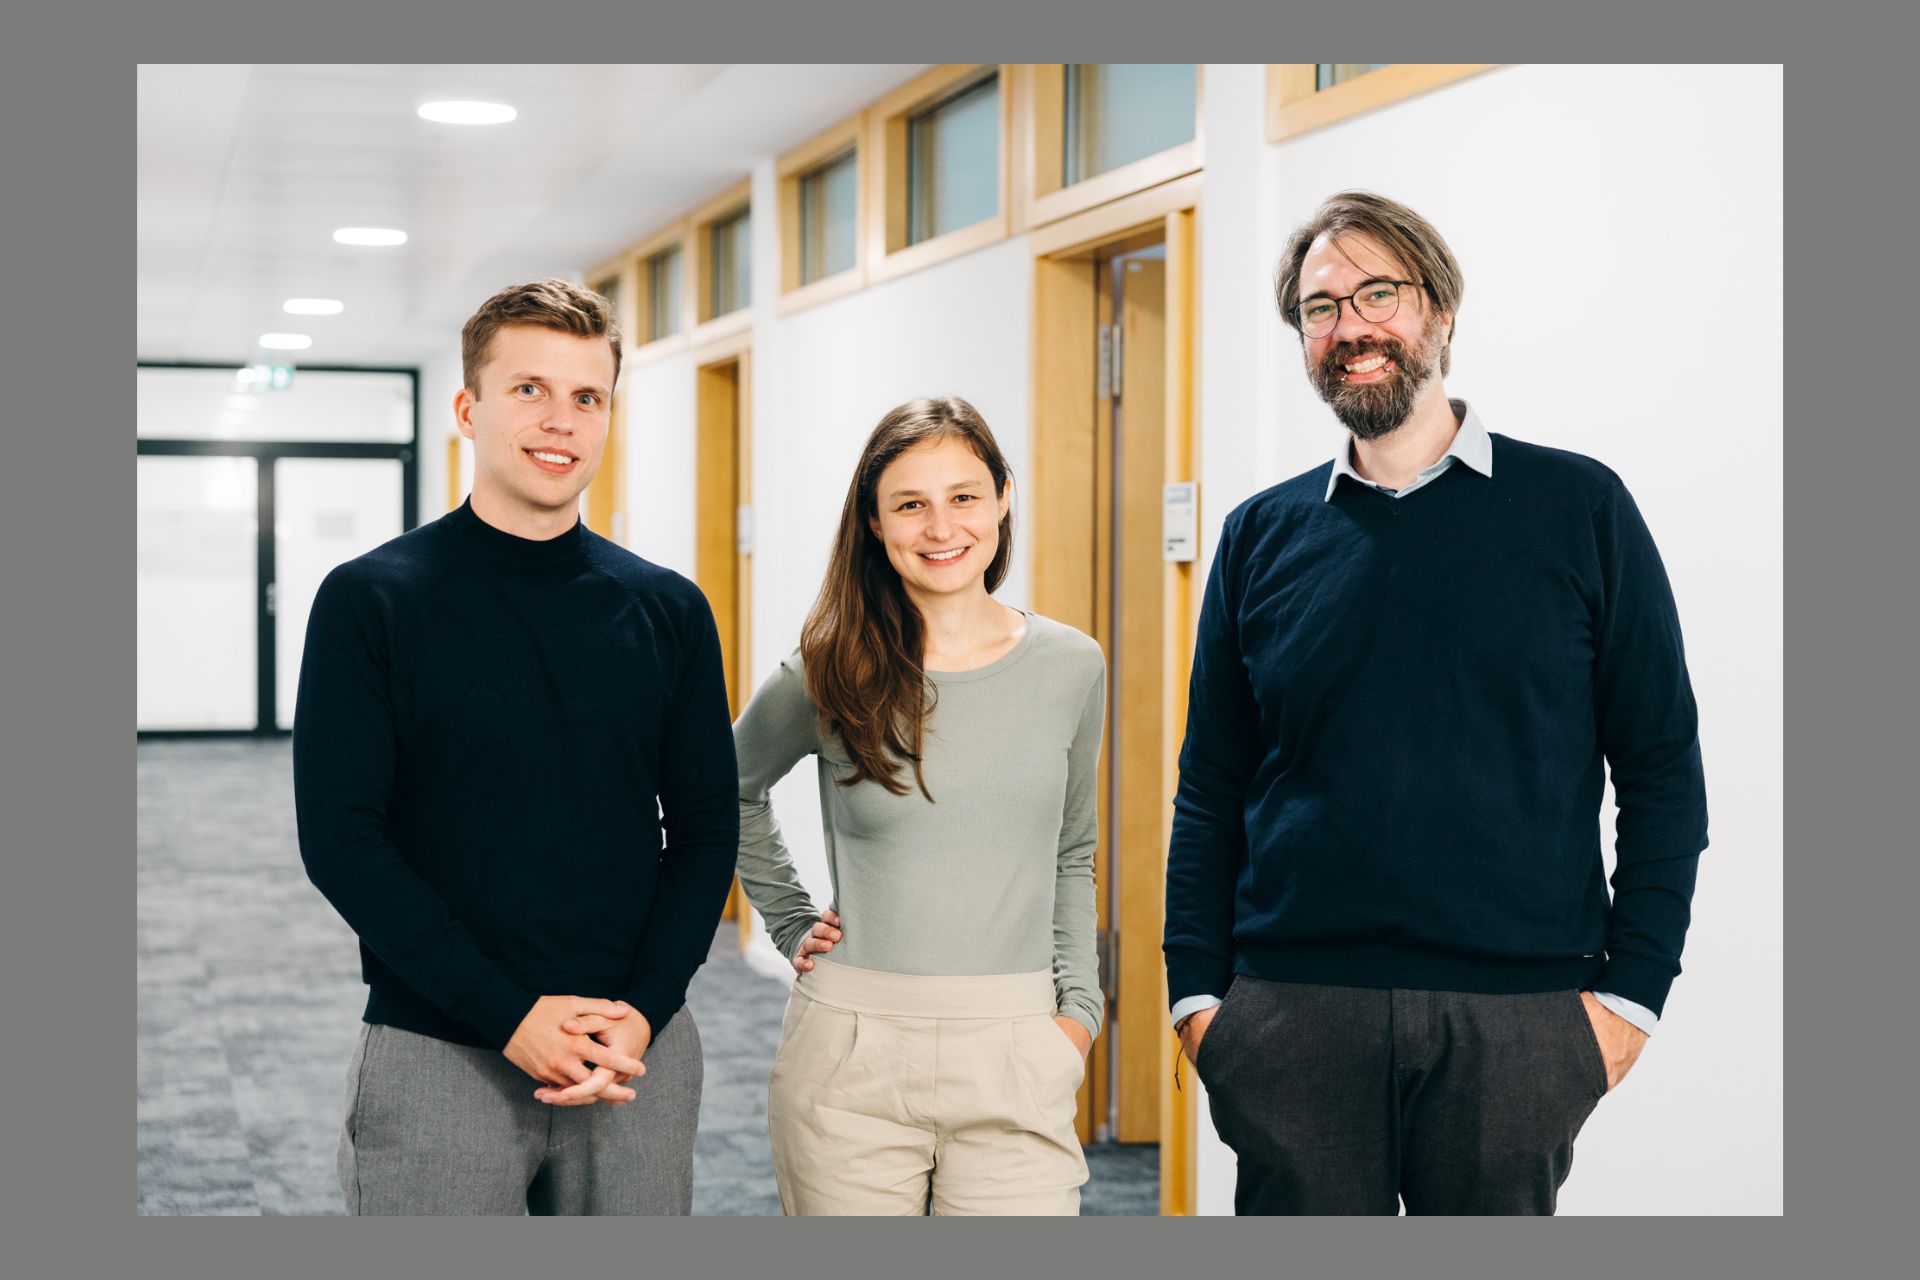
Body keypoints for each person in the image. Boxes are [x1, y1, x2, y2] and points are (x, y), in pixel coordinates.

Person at [1163, 191, 1708, 1215]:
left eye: (1380, 293)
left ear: (1442, 311)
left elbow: (1663, 768)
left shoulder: (1580, 507)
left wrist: (1629, 995)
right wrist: (1200, 997)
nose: (1350, 326)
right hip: (1294, 1014)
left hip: (1519, 1022)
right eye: (1320, 307)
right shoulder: (1258, 536)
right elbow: (1212, 785)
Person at [293, 279, 738, 1215]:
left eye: (587, 397)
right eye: (529, 389)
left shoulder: (668, 610)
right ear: (468, 407)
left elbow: (703, 832)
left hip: (631, 1052)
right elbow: (342, 841)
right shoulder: (372, 600)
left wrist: (647, 1010)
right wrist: (511, 1017)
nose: (560, 421)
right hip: (440, 1045)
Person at [730, 396, 1106, 1216]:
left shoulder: (1072, 666)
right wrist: (791, 921)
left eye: (964, 496)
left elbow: (1072, 850)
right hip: (851, 1056)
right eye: (910, 504)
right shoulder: (827, 670)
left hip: (1017, 1050)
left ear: (1004, 496)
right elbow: (728, 789)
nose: (941, 528)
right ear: (873, 522)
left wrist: (1079, 1010)